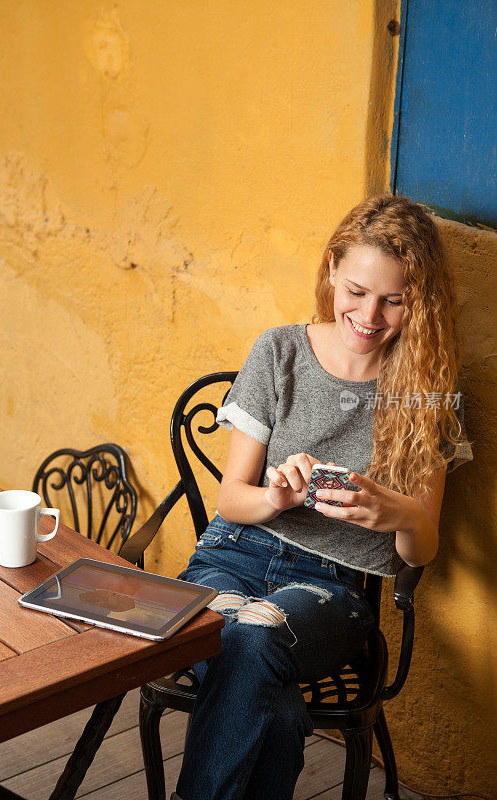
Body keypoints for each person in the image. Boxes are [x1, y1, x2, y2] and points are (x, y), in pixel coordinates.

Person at [171, 194, 473, 800]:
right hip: (230, 555)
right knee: (277, 711)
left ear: (422, 301)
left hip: (331, 589)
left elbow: (421, 550)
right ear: (333, 267)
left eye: (396, 300)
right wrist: (276, 498)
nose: (369, 314)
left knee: (252, 639)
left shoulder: (428, 388)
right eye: (357, 290)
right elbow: (231, 500)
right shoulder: (279, 352)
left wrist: (399, 512)